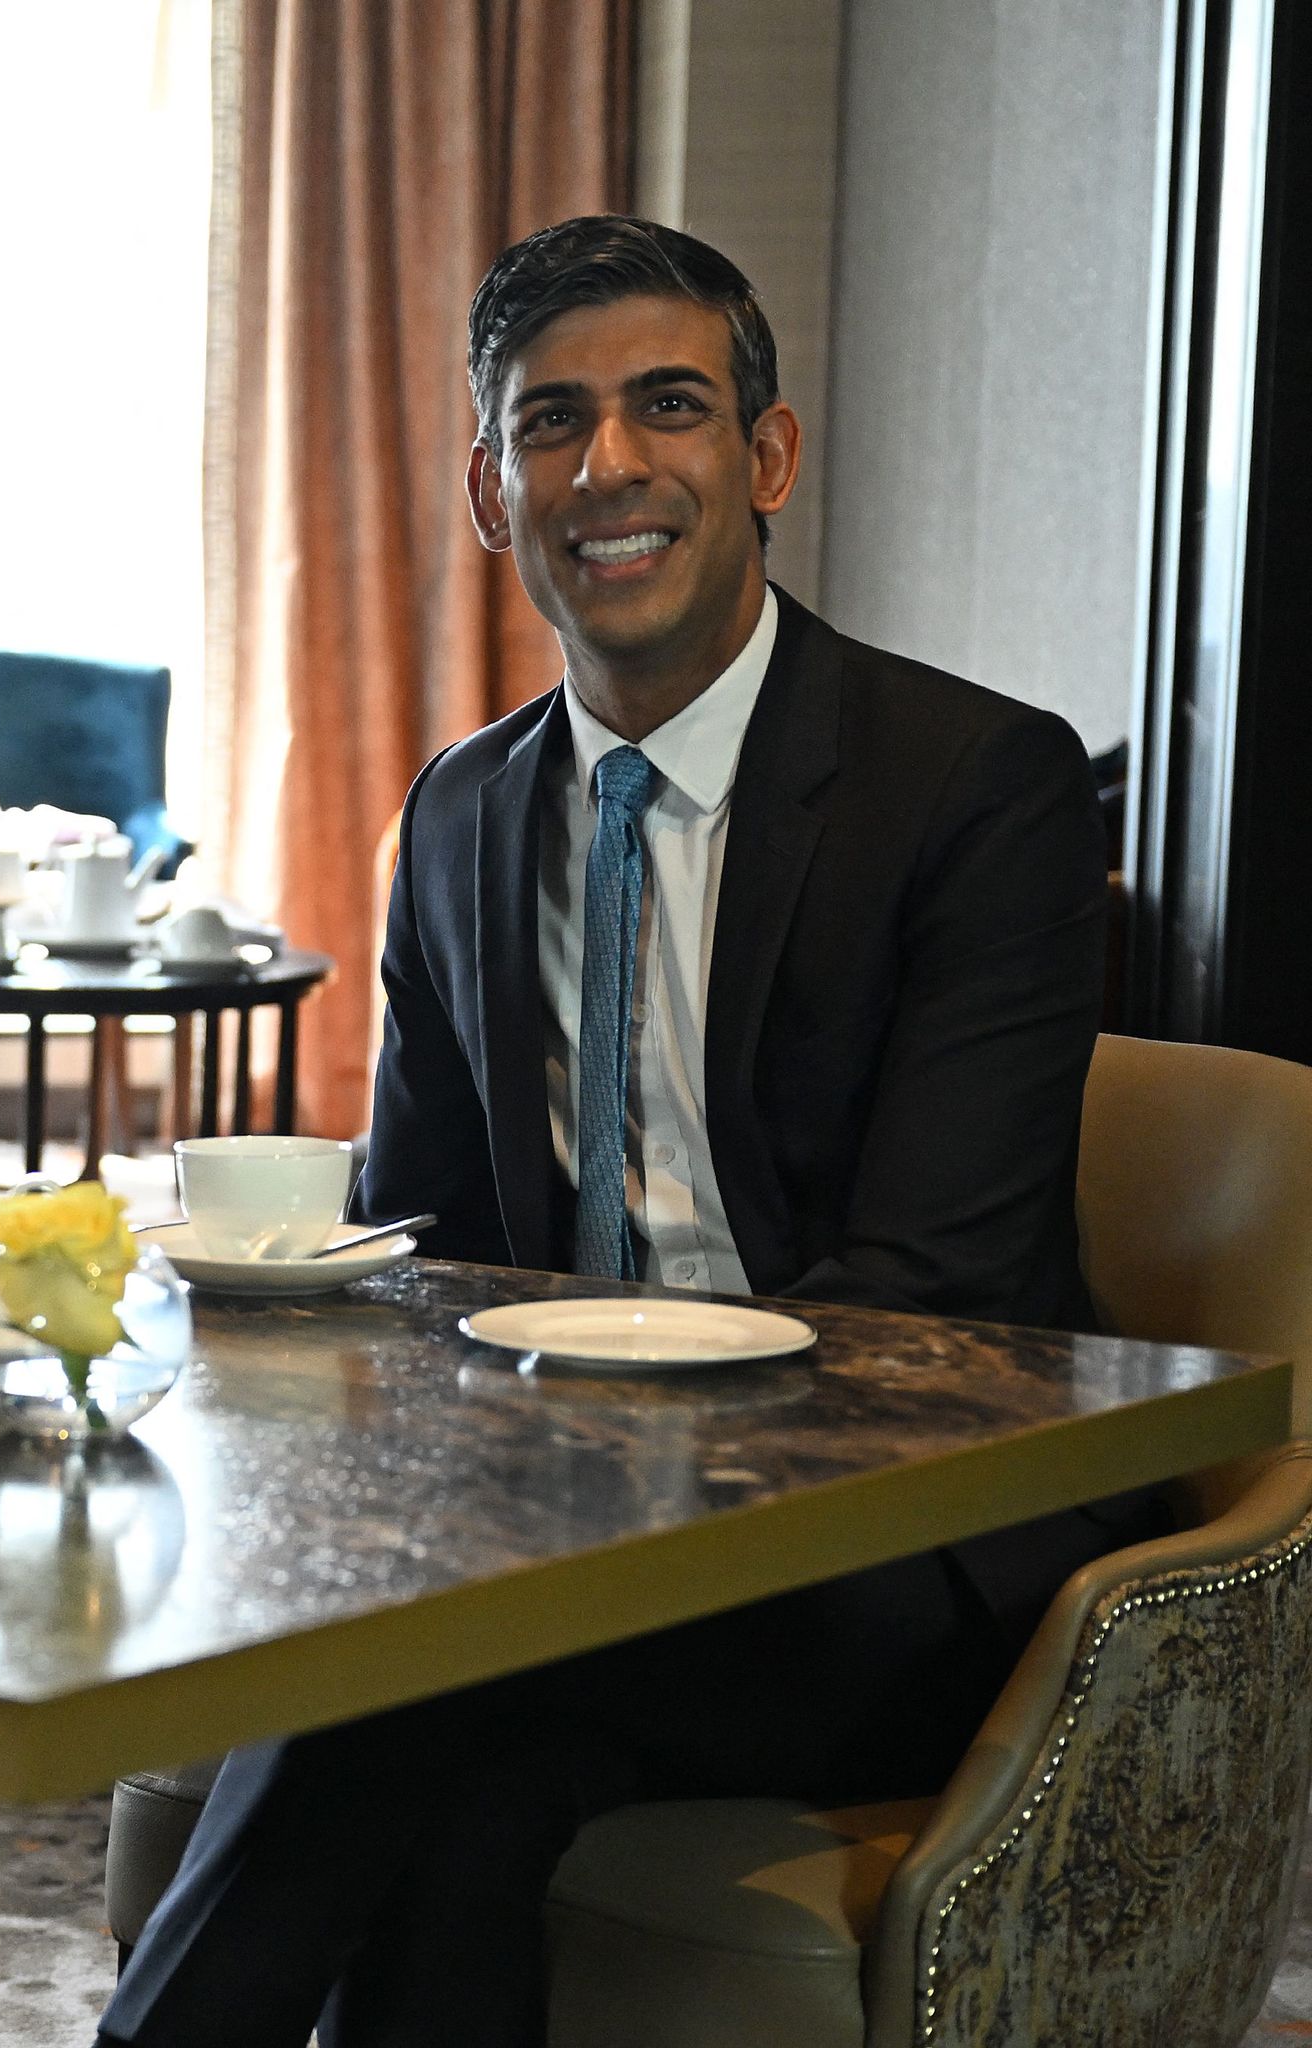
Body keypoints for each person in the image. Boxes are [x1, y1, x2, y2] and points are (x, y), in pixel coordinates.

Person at [98, 216, 1153, 2045]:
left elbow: (936, 1295)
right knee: (466, 1785)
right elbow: (421, 1263)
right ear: (496, 496)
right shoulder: (457, 816)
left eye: (667, 406)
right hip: (551, 1559)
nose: (609, 467)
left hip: (897, 1554)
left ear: (766, 458)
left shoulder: (977, 789)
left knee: (403, 1689)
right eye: (549, 424)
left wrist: (562, 1515)